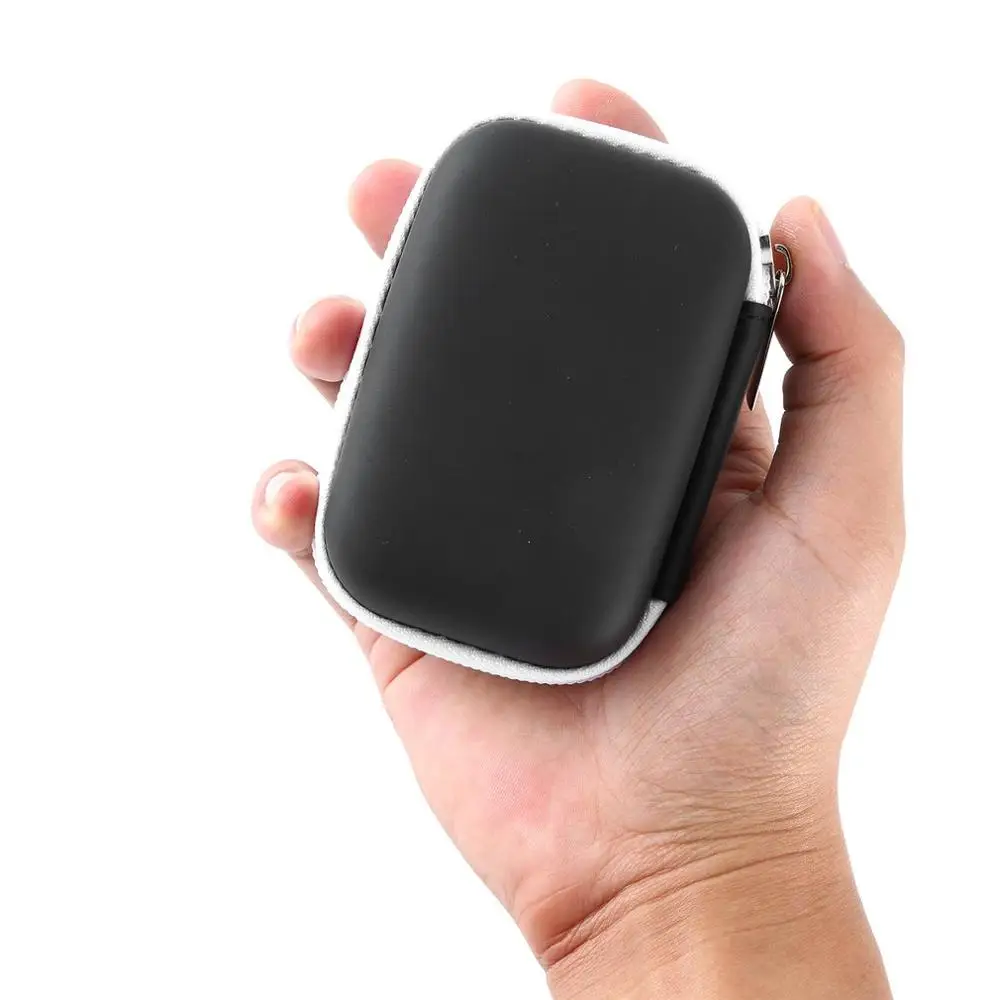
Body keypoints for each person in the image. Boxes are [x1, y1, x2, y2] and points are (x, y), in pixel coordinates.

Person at [251, 79, 904, 999]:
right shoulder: (682, 233)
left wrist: (697, 865)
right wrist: (686, 884)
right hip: (537, 597)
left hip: (528, 592)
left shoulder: (536, 184)